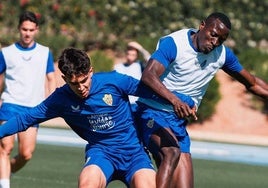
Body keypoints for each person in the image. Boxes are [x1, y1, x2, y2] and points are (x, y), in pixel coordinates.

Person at [135, 12, 268, 188]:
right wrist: (175, 101)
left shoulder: (222, 55)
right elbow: (149, 76)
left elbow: (252, 83)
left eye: (221, 39)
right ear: (202, 25)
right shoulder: (174, 44)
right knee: (171, 152)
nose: (215, 42)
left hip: (178, 122)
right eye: (213, 34)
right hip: (151, 113)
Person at [0, 47, 156, 188]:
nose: (81, 88)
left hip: (134, 153)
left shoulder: (114, 81)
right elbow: (25, 119)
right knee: (87, 183)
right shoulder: (60, 99)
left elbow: (154, 93)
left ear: (91, 71)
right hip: (101, 153)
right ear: (65, 78)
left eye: (84, 81)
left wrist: (178, 102)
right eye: (74, 84)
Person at [0, 11, 56, 188]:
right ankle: (4, 184)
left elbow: (51, 78)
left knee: (26, 154)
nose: (27, 33)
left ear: (36, 30)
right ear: (19, 29)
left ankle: (3, 175)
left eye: (31, 30)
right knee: (5, 148)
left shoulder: (45, 52)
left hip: (33, 109)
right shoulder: (6, 53)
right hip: (10, 104)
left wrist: (53, 103)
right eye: (24, 29)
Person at [114, 41, 150, 111]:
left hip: (137, 102)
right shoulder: (118, 67)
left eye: (133, 54)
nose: (130, 56)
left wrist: (140, 48)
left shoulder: (140, 65)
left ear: (136, 56)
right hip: (123, 103)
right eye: (129, 54)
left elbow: (149, 59)